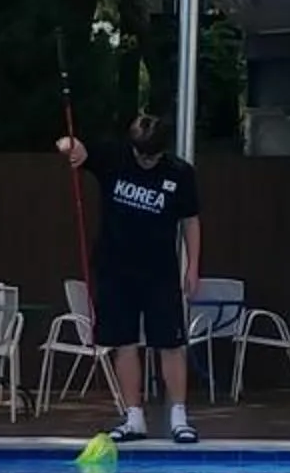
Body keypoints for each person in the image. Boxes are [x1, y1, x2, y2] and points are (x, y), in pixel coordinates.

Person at [56, 114, 204, 443]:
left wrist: (192, 267)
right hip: (115, 270)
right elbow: (67, 143)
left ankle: (179, 416)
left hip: (161, 272)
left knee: (171, 343)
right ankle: (133, 417)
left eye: (152, 156)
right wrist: (71, 147)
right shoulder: (114, 158)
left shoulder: (179, 173)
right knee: (124, 343)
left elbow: (191, 221)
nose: (146, 161)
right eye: (141, 155)